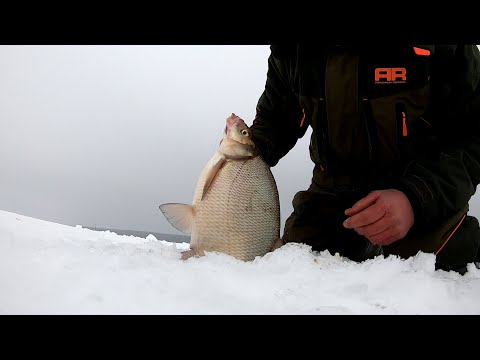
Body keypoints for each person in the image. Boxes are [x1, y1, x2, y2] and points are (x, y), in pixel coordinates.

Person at [250, 45, 480, 274]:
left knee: (434, 277)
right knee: (291, 272)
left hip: (423, 190)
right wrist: (242, 153)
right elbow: (275, 121)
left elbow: (472, 138)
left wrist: (415, 198)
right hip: (331, 192)